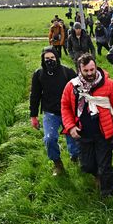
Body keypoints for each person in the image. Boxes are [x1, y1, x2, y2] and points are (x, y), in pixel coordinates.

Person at [61, 53, 113, 197]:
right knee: (87, 165)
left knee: (105, 166)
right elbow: (65, 106)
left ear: (95, 67)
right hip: (83, 133)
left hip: (104, 133)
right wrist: (70, 126)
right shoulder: (72, 87)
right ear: (79, 70)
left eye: (92, 70)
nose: (90, 73)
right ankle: (96, 175)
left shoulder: (108, 84)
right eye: (86, 71)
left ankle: (108, 195)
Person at [29, 46, 79, 176]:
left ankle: (75, 157)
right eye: (46, 58)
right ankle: (57, 163)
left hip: (68, 112)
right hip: (50, 112)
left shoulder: (67, 72)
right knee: (49, 139)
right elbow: (35, 95)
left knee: (73, 137)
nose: (49, 60)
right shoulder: (38, 74)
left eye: (52, 58)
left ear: (57, 58)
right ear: (42, 59)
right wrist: (33, 116)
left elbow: (80, 89)